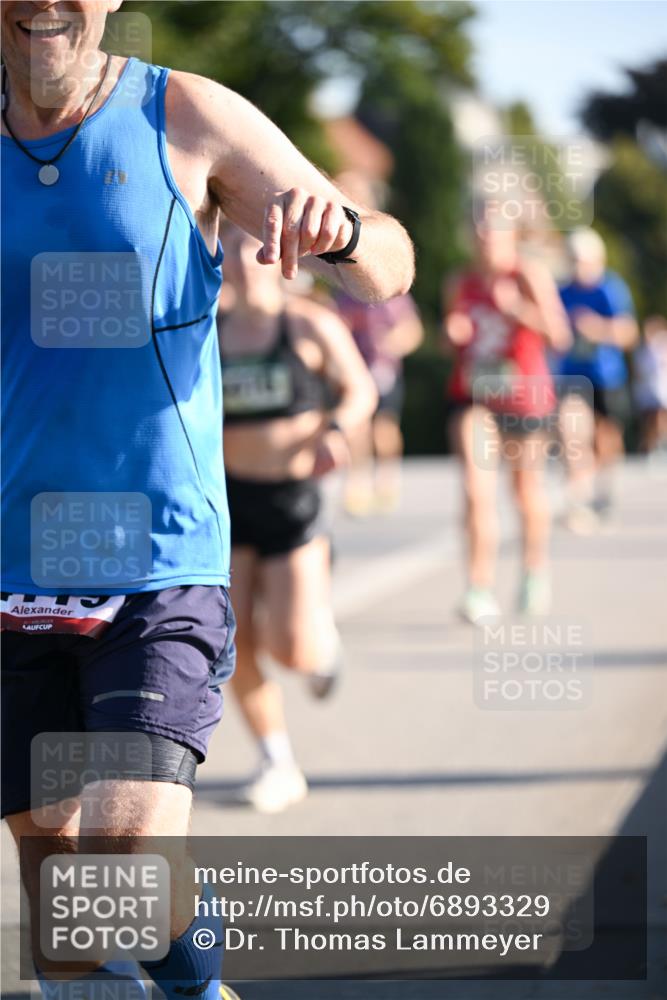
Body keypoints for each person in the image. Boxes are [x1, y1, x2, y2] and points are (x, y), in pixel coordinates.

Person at [1, 3, 415, 998]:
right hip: (11, 566)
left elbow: (390, 265)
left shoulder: (182, 115)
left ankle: (192, 983)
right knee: (62, 902)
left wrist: (344, 229)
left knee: (124, 850)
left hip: (159, 561)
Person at [218, 223, 377, 813]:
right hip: (232, 501)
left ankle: (322, 650)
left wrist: (337, 428)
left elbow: (360, 390)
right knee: (231, 641)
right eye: (229, 251)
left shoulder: (309, 323)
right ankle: (276, 759)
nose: (240, 262)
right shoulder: (213, 330)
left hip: (294, 501)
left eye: (250, 250)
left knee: (290, 648)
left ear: (277, 258)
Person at [442, 215, 571, 623]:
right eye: (478, 233)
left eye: (492, 234)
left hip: (525, 399)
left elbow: (559, 337)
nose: (484, 241)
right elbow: (450, 339)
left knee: (524, 491)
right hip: (476, 398)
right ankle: (478, 589)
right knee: (476, 491)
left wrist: (519, 310)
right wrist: (452, 333)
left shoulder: (528, 276)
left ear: (511, 238)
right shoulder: (458, 282)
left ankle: (535, 571)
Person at [332, 172, 424, 515]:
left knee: (383, 429)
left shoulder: (384, 270)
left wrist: (394, 342)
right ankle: (357, 485)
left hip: (382, 364)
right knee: (357, 425)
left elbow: (411, 327)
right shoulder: (339, 273)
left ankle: (386, 478)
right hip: (355, 362)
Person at [557, 228, 638, 531]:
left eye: (582, 259)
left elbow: (629, 333)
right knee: (572, 433)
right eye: (572, 259)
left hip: (607, 376)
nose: (577, 266)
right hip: (572, 377)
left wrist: (598, 329)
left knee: (606, 440)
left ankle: (603, 489)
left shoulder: (610, 288)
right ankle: (577, 498)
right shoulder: (562, 292)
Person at [633, 315, 667, 459]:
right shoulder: (641, 351)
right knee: (648, 420)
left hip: (660, 389)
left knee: (660, 416)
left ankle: (661, 443)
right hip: (646, 391)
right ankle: (650, 446)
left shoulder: (661, 348)